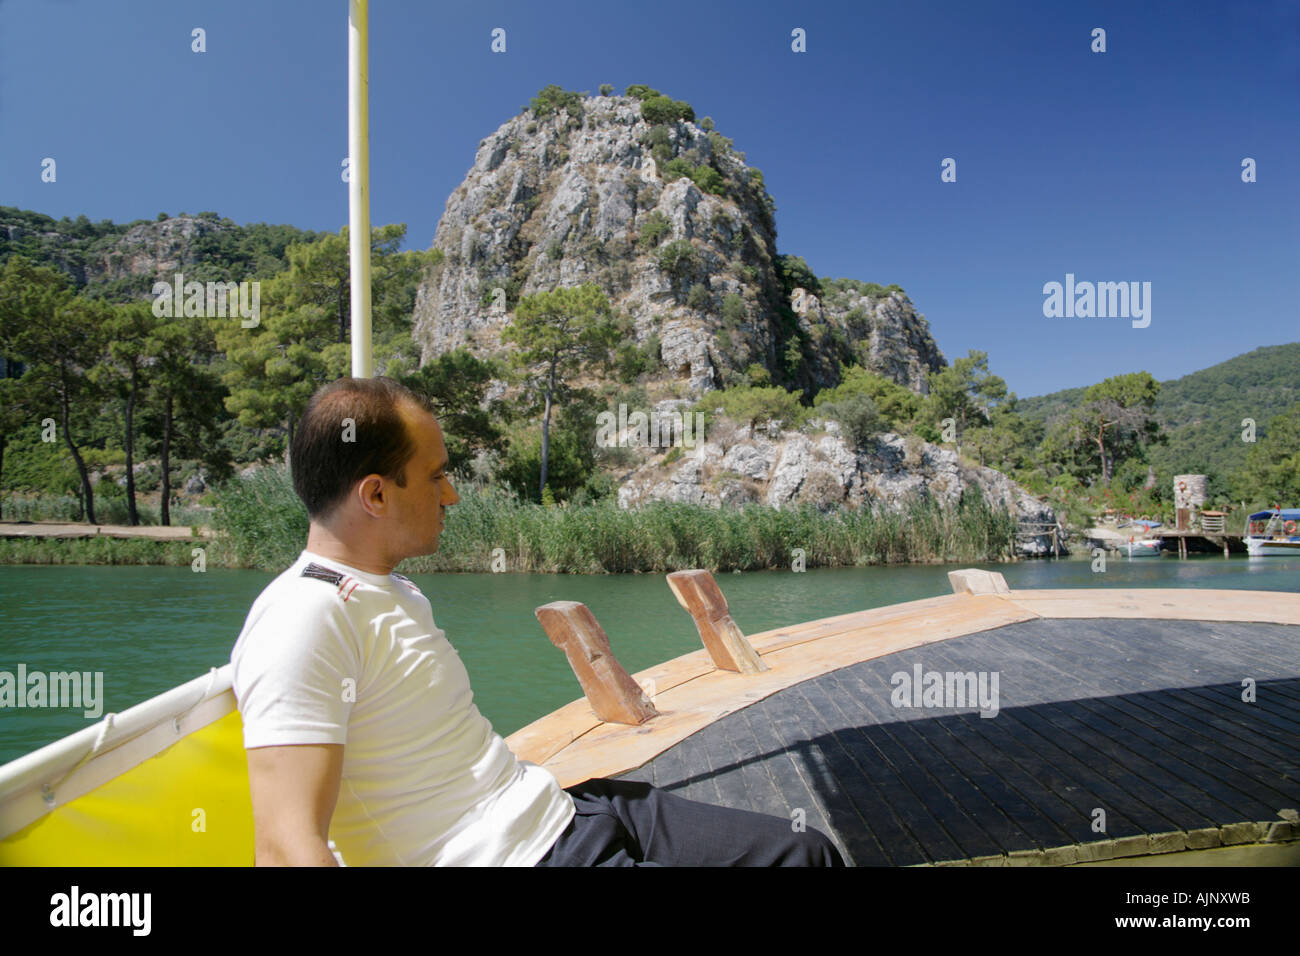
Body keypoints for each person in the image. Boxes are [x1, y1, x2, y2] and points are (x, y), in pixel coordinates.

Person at [229, 375, 844, 867]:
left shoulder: (393, 591)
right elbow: (285, 846)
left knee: (806, 850)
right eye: (438, 476)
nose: (453, 496)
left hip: (567, 811)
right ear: (376, 495)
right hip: (518, 856)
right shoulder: (303, 619)